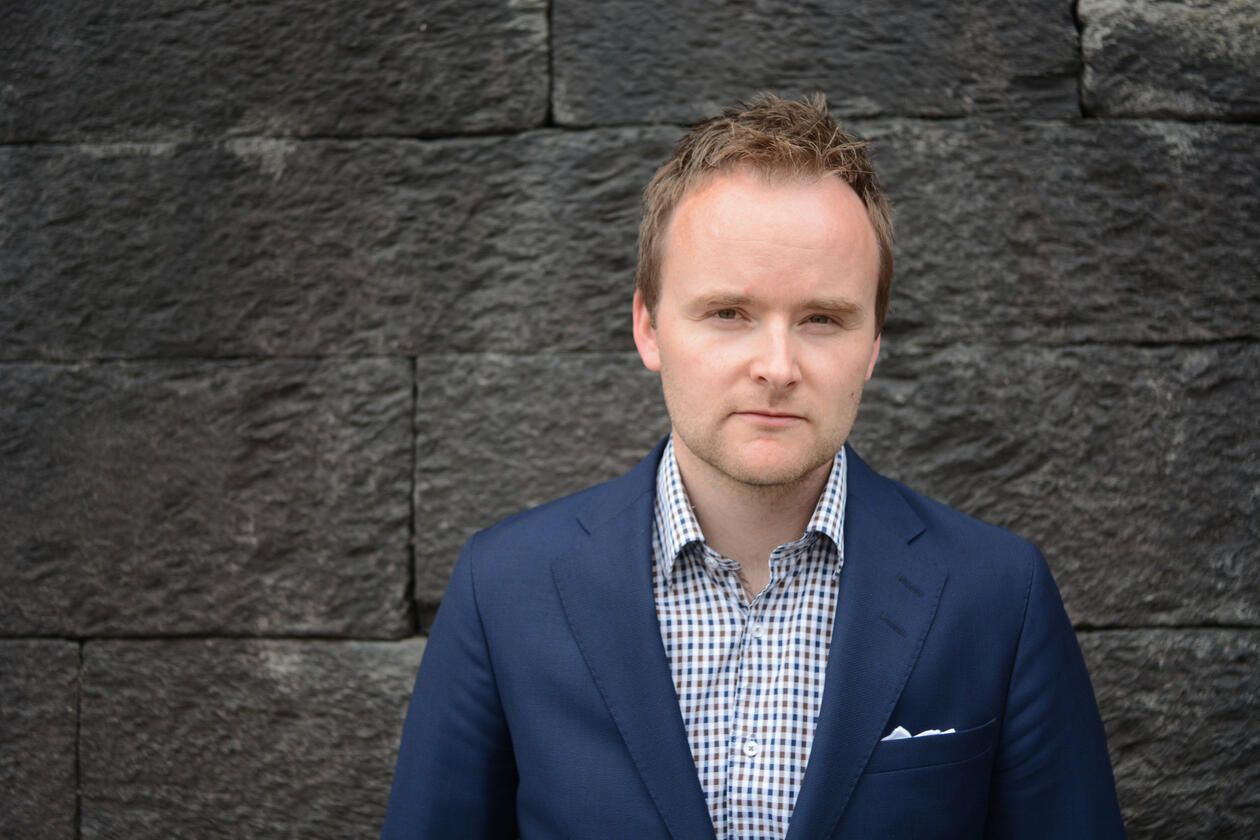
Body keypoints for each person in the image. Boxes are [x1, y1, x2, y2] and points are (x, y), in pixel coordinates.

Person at [381, 94, 1125, 840]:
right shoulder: (504, 587)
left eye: (822, 319)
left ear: (872, 345)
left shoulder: (998, 594)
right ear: (648, 327)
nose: (777, 366)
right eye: (728, 313)